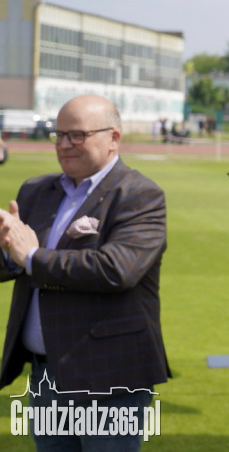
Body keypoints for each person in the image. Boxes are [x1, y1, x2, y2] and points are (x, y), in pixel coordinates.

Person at [0, 94, 170, 450]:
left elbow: (115, 269)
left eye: (77, 135)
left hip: (109, 374)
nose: (64, 144)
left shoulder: (140, 194)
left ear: (114, 139)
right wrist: (8, 247)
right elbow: (17, 262)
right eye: (59, 134)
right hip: (46, 373)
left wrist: (30, 254)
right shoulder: (35, 191)